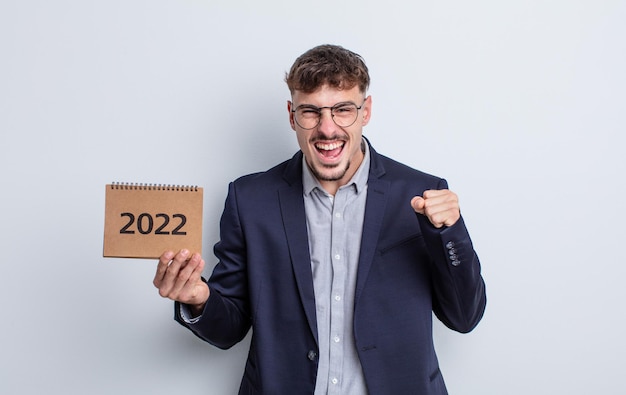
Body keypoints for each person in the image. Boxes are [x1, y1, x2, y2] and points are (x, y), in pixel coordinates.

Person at [153, 44, 486, 395]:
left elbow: (464, 316)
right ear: (292, 114)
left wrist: (451, 233)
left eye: (343, 110)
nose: (327, 129)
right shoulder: (250, 200)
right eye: (311, 112)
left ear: (366, 110)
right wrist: (199, 299)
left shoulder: (420, 193)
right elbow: (229, 328)